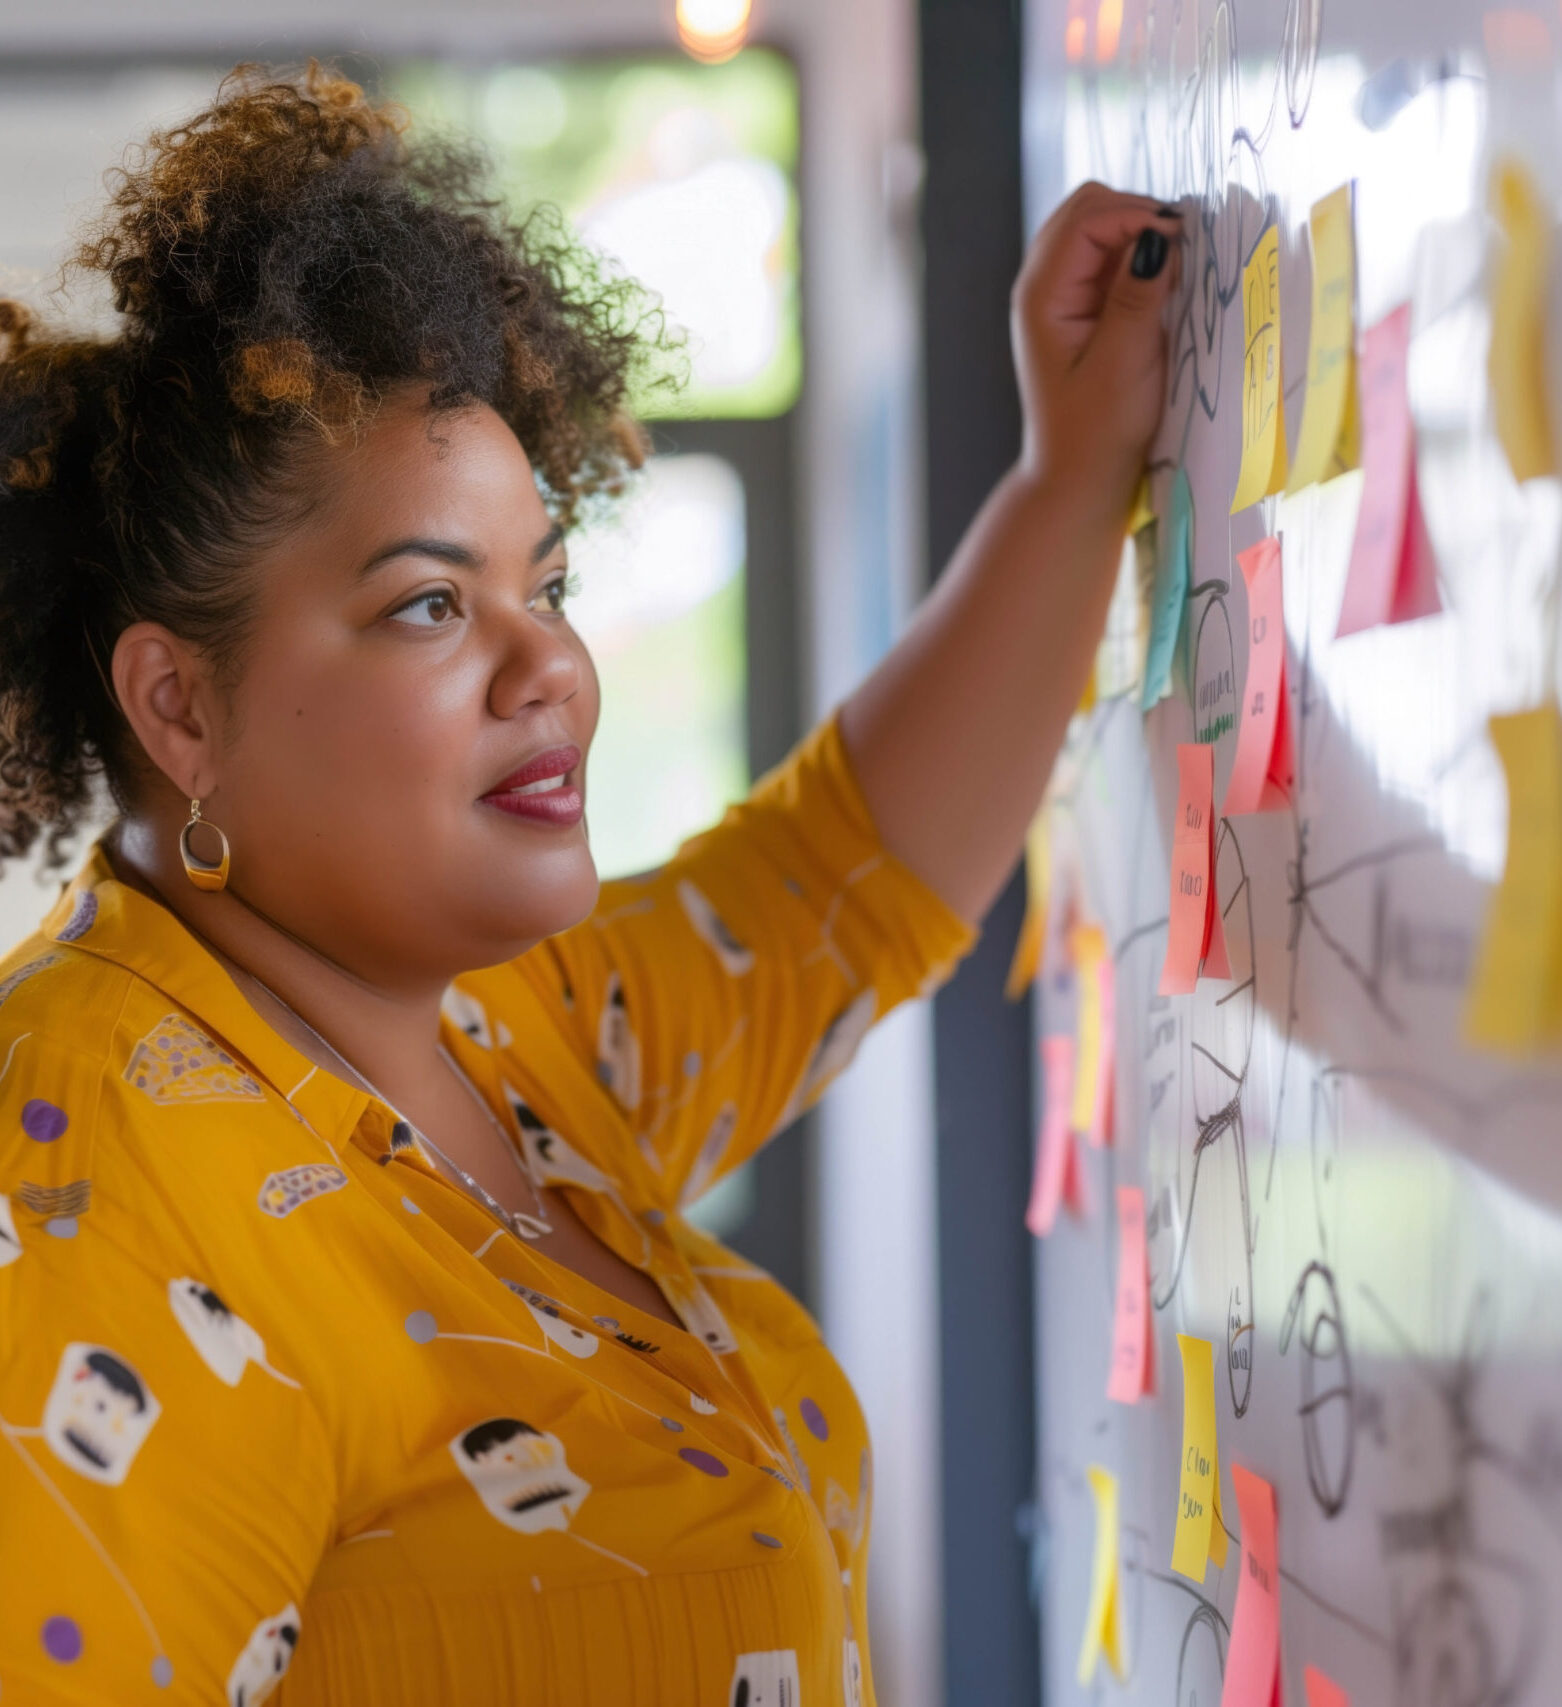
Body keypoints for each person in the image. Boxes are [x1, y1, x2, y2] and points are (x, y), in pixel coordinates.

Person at [0, 59, 1176, 1707]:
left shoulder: (490, 1025)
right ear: (178, 705)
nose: (548, 662)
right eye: (429, 604)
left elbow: (833, 883)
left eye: (542, 582)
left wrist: (1072, 477)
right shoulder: (83, 1168)